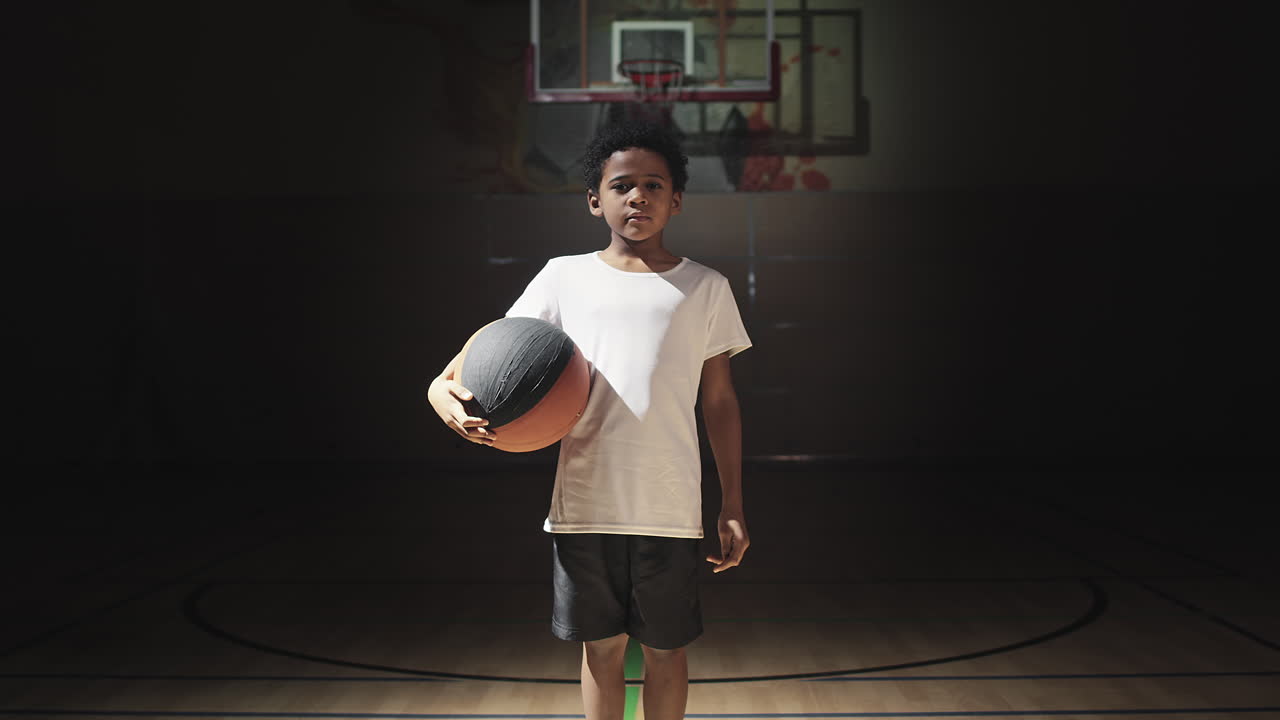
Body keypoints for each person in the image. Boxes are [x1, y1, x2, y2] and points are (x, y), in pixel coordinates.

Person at [426, 120, 751, 720]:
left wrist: (731, 501)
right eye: (622, 185)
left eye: (654, 185)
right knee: (600, 651)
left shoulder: (707, 287)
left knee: (665, 651)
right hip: (583, 506)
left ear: (676, 199)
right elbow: (482, 356)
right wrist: (438, 390)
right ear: (594, 200)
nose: (638, 197)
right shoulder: (562, 277)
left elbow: (721, 402)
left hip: (671, 506)